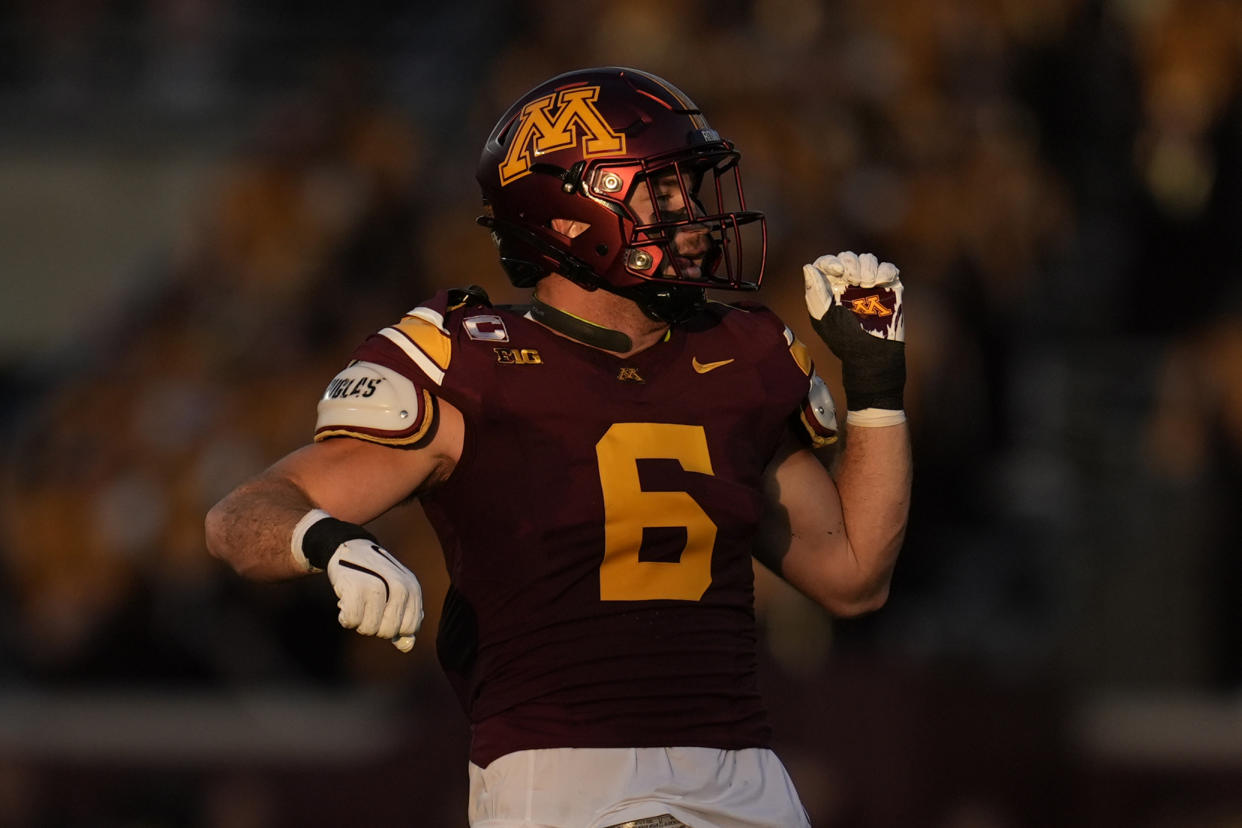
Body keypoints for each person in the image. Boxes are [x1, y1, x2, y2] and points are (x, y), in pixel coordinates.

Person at [206, 66, 912, 828]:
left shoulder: (743, 355)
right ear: (576, 214)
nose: (695, 215)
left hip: (744, 775)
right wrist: (326, 540)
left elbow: (853, 575)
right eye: (664, 188)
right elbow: (241, 518)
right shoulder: (469, 360)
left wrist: (876, 389)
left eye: (689, 189)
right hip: (567, 780)